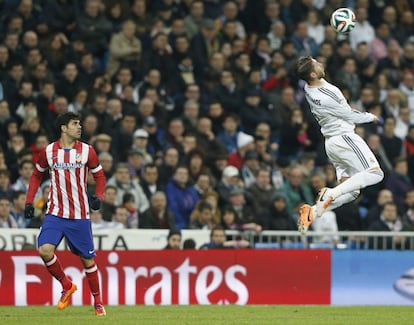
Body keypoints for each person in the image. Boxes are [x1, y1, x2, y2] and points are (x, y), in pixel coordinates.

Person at [24, 112, 107, 316]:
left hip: (79, 214)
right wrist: (29, 201)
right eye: (75, 124)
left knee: (87, 261)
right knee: (44, 250)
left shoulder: (88, 151)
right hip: (55, 212)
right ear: (63, 128)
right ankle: (67, 285)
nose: (80, 127)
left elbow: (100, 176)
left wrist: (99, 196)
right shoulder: (49, 151)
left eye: (80, 123)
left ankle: (98, 302)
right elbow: (36, 175)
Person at [295, 56, 384, 234]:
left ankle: (311, 212)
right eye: (316, 64)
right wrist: (372, 117)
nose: (321, 63)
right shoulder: (328, 95)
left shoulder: (309, 88)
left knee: (351, 192)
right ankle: (329, 194)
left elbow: (312, 75)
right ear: (312, 73)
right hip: (344, 138)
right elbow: (350, 115)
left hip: (332, 144)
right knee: (375, 174)